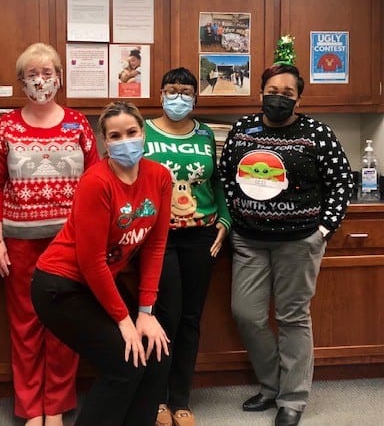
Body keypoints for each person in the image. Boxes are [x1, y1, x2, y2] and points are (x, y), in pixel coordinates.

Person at [218, 62, 353, 426]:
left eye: (287, 93)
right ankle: (271, 385)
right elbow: (226, 177)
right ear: (261, 93)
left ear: (298, 98)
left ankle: (292, 398)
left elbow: (342, 181)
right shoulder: (243, 129)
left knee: (292, 318)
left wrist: (324, 228)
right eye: (272, 92)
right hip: (249, 240)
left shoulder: (316, 133)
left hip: (299, 241)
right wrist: (233, 220)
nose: (279, 98)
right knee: (247, 314)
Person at [31, 100, 172, 426]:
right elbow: (91, 261)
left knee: (156, 353)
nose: (126, 141)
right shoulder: (96, 182)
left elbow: (155, 246)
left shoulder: (159, 177)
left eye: (132, 132)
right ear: (105, 142)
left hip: (98, 284)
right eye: (115, 136)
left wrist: (145, 313)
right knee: (124, 363)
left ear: (143, 133)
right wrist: (124, 321)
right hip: (60, 286)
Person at [0, 42, 99, 426]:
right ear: (21, 82)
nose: (40, 81)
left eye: (47, 73)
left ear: (59, 78)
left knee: (65, 323)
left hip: (69, 242)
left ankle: (57, 406)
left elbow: (95, 183)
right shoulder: (6, 126)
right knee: (26, 324)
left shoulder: (78, 124)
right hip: (19, 241)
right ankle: (31, 408)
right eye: (32, 74)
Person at [144, 68, 231, 426]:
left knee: (191, 318)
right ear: (161, 94)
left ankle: (181, 398)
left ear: (195, 97)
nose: (178, 97)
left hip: (201, 235)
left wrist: (225, 220)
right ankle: (156, 398)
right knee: (165, 316)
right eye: (171, 90)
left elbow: (217, 181)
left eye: (185, 91)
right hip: (159, 237)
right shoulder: (143, 131)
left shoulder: (206, 134)